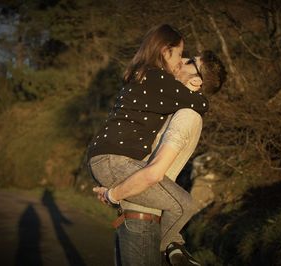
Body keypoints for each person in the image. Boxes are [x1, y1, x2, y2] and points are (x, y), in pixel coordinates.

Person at [87, 24, 225, 266]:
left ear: (196, 79)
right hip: (116, 162)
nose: (182, 60)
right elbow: (202, 104)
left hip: (112, 160)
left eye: (189, 59)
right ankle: (170, 248)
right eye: (181, 54)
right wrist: (113, 195)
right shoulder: (159, 81)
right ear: (164, 51)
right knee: (185, 205)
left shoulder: (148, 78)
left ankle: (171, 247)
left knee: (182, 205)